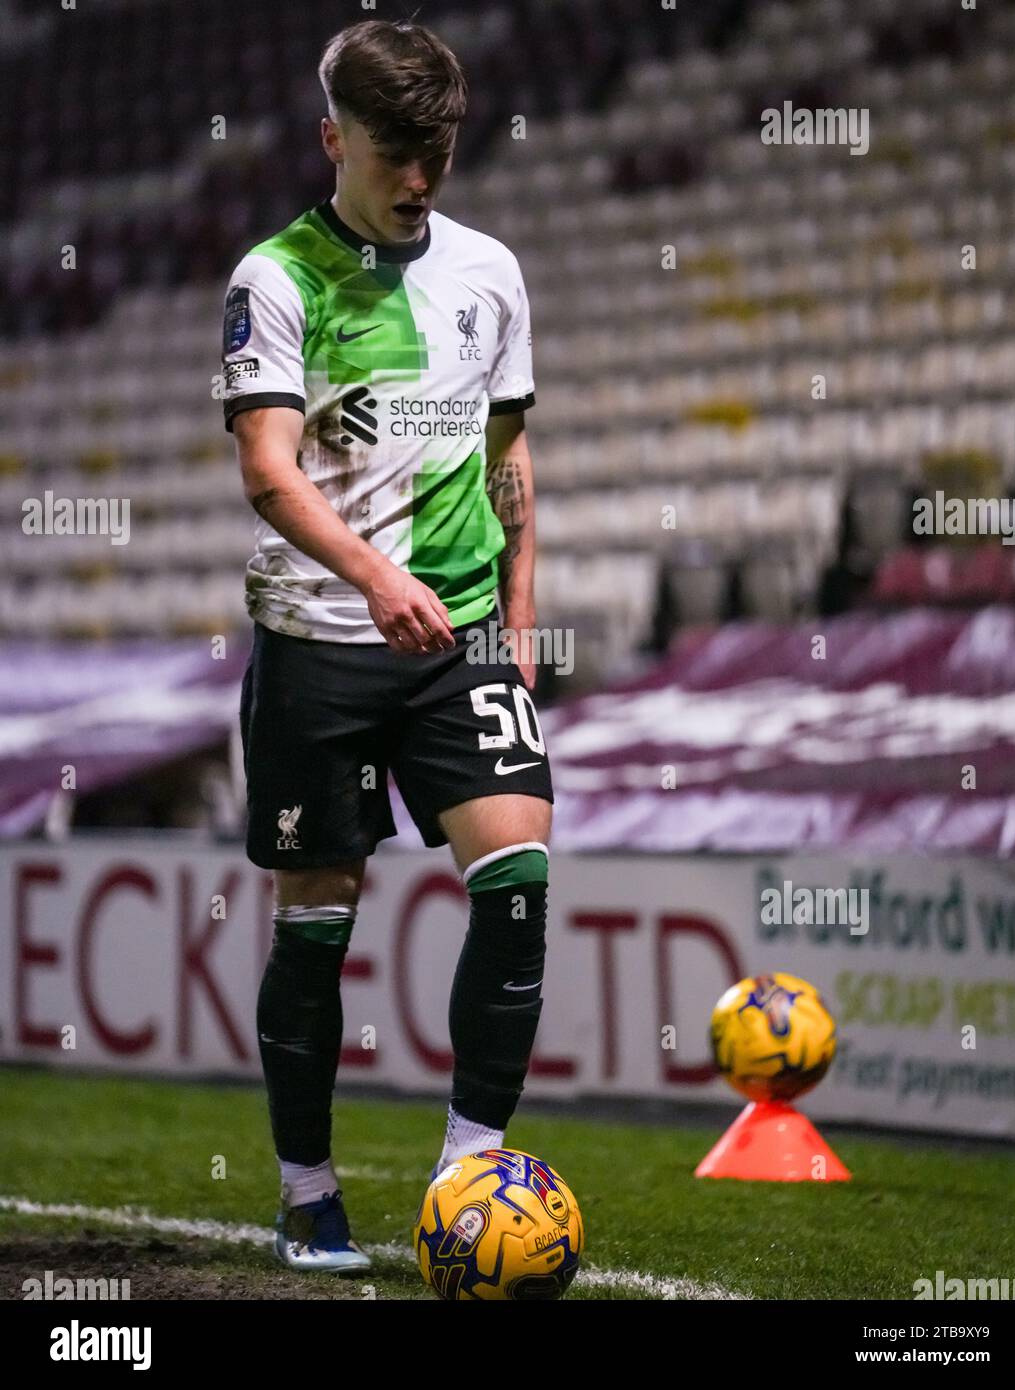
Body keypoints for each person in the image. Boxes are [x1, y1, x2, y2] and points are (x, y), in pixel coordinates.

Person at [220, 18, 552, 1273]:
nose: (419, 175)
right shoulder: (276, 278)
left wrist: (516, 622)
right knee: (318, 921)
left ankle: (470, 1168)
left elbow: (507, 452)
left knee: (516, 888)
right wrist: (372, 575)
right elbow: (267, 470)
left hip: (458, 635)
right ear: (332, 139)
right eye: (394, 150)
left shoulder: (490, 273)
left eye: (439, 147)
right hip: (321, 640)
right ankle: (308, 1191)